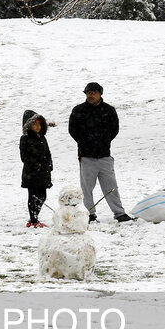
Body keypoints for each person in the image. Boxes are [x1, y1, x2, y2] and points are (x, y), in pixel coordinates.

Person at [68, 81, 133, 223]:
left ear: (100, 94)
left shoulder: (109, 110)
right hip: (86, 156)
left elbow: (114, 129)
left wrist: (103, 141)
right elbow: (73, 130)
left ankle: (119, 213)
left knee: (111, 186)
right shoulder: (78, 110)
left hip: (105, 155)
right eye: (88, 92)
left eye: (93, 92)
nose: (90, 95)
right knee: (86, 188)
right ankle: (89, 214)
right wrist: (85, 142)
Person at [19, 110, 53, 228]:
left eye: (39, 124)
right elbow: (25, 157)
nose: (37, 127)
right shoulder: (25, 139)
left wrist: (49, 165)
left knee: (43, 195)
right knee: (33, 196)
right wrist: (35, 165)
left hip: (44, 173)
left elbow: (48, 153)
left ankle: (36, 215)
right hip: (32, 173)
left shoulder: (43, 138)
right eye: (34, 124)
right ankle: (33, 219)